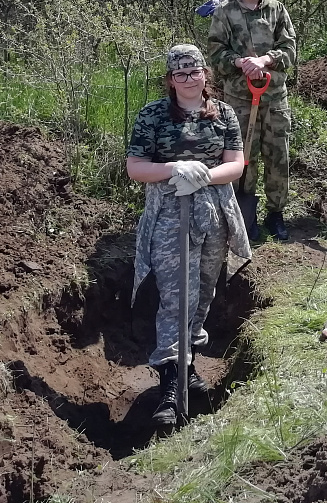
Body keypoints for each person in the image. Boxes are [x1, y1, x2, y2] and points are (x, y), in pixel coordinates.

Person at [126, 44, 251, 427]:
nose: (188, 80)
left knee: (203, 289)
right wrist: (174, 169)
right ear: (170, 78)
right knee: (176, 294)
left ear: (204, 74)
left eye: (194, 72)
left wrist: (203, 175)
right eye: (180, 74)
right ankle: (169, 381)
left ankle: (189, 367)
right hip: (169, 213)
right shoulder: (153, 116)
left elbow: (237, 164)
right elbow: (135, 167)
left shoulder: (223, 113)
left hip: (214, 211)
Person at [207, 0, 298, 242]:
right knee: (242, 158)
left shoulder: (276, 9)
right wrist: (239, 62)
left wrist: (267, 60)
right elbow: (216, 52)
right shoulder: (225, 12)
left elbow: (290, 49)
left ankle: (276, 213)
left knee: (278, 155)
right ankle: (242, 214)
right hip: (240, 98)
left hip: (274, 96)